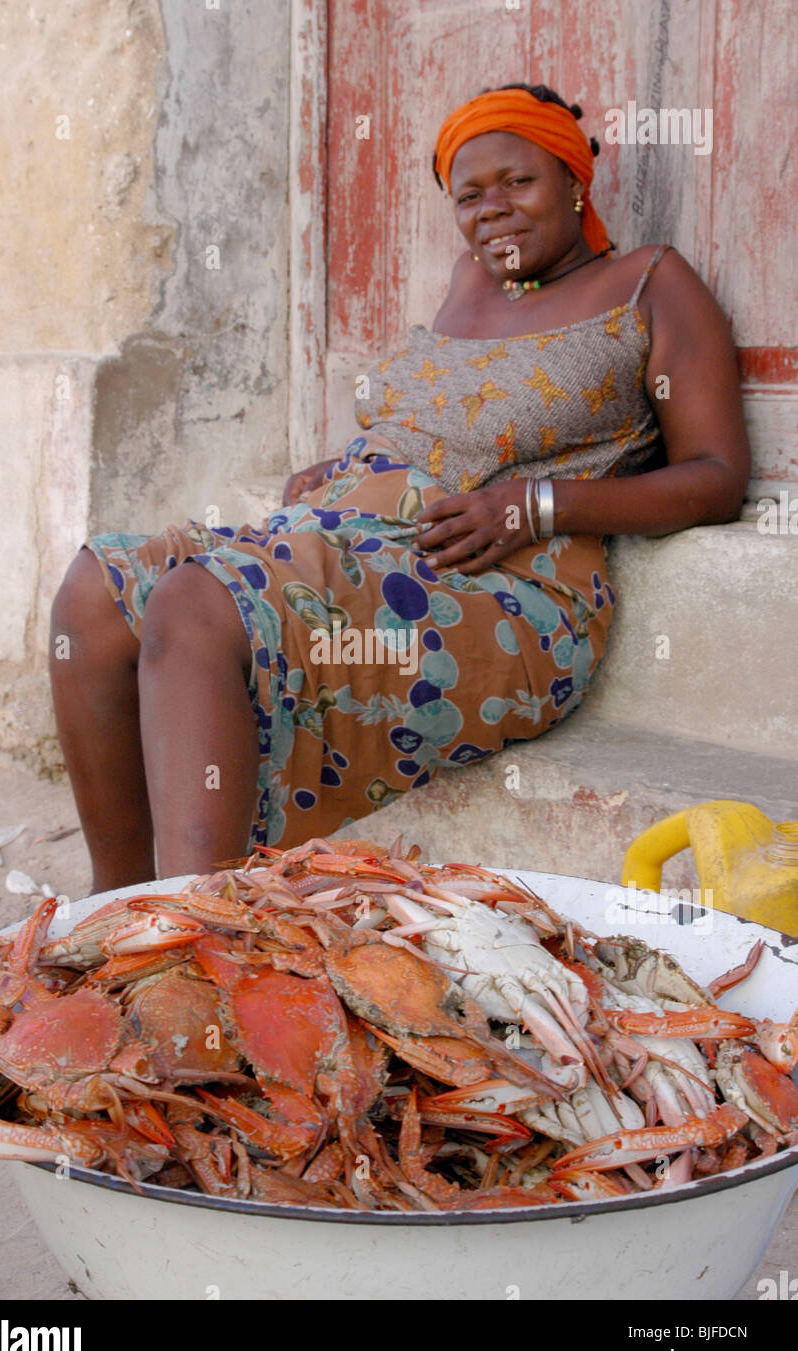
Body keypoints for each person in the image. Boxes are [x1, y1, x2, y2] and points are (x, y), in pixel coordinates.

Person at [50, 82, 751, 893]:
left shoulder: (650, 284)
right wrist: (350, 465)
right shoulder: (470, 281)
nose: (492, 210)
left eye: (518, 183)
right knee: (95, 592)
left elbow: (717, 478)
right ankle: (116, 914)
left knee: (193, 603)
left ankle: (204, 937)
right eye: (469, 195)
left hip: (494, 578)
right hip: (354, 536)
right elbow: (440, 413)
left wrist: (538, 503)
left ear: (572, 179)